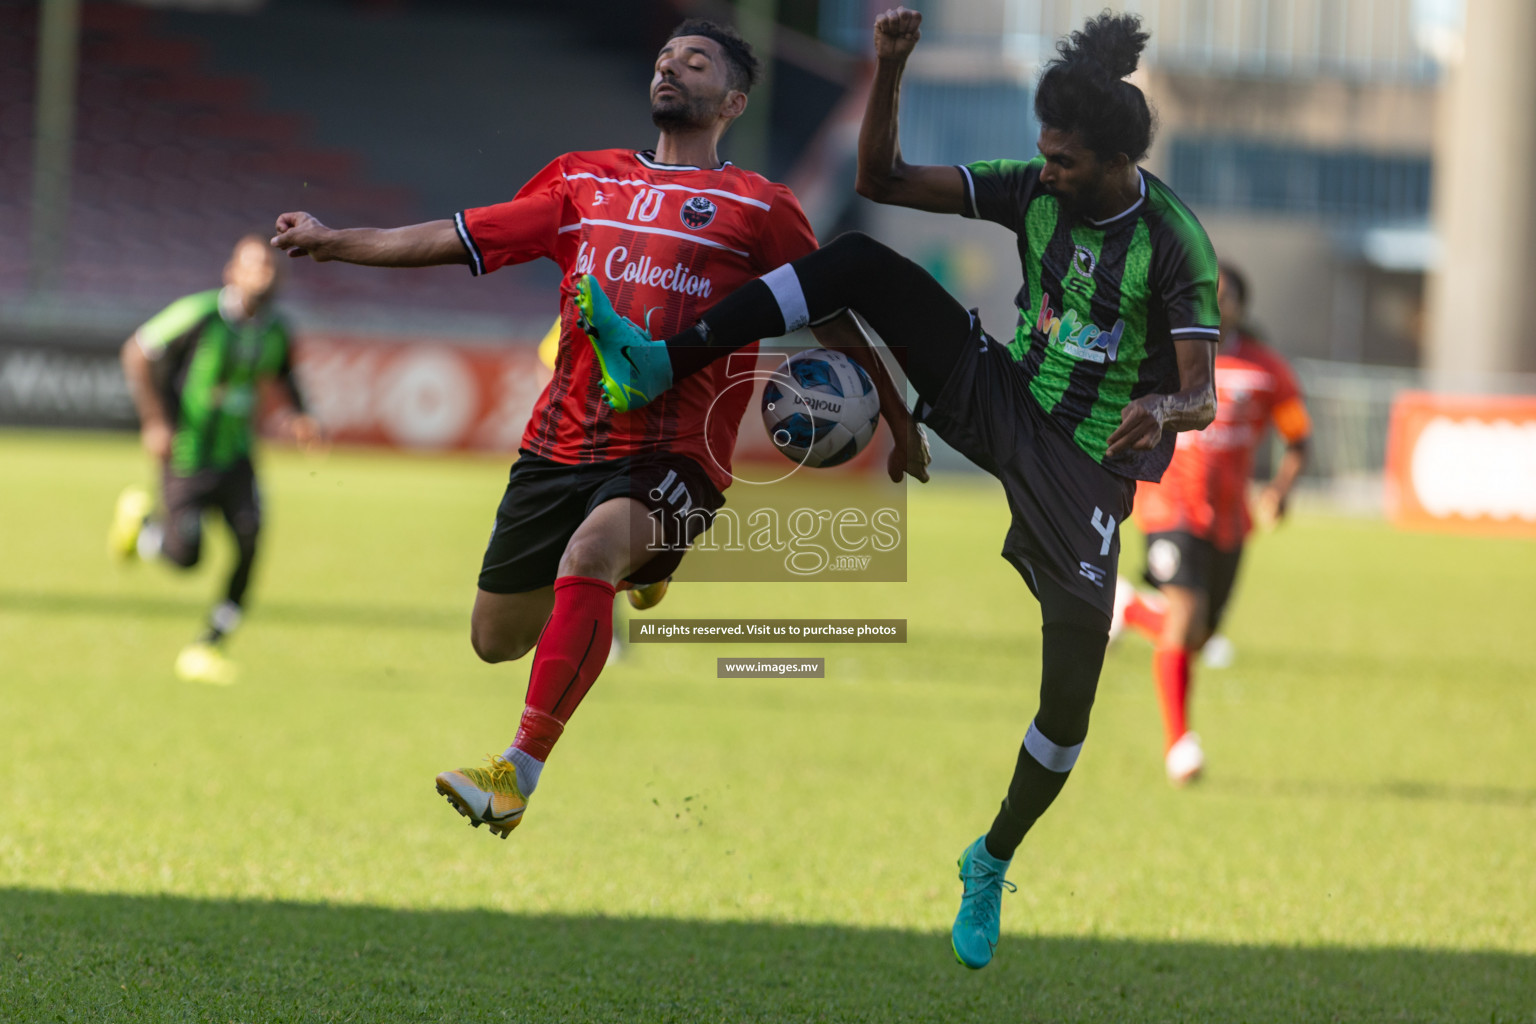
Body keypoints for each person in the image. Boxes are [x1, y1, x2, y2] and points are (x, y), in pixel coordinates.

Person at [573, 8, 1218, 969]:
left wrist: (1161, 412)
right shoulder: (1028, 190)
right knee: (864, 261)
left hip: (1085, 464)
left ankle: (991, 858)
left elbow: (1203, 392)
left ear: (1118, 158)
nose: (1046, 172)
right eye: (1042, 155)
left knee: (1072, 699)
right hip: (998, 392)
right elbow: (877, 181)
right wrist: (891, 62)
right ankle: (665, 358)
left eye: (1066, 162)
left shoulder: (1175, 244)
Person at [270, 19, 926, 840]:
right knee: (493, 639)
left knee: (593, 553)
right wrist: (336, 242)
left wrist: (896, 417)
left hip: (676, 454)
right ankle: (645, 564)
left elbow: (826, 307)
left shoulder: (763, 207)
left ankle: (518, 770)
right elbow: (457, 236)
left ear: (732, 101)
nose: (669, 68)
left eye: (694, 63)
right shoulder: (582, 181)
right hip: (558, 444)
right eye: (664, 58)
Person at [1113, 262, 1311, 784]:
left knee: (1197, 634)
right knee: (1184, 613)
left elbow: (1297, 438)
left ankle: (1131, 608)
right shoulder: (1167, 356)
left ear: (1241, 305)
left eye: (1224, 296)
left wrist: (1280, 491)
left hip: (1230, 520)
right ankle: (1180, 742)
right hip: (1171, 506)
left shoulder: (1267, 370)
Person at [109, 235, 319, 685]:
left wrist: (301, 414)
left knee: (250, 541)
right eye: (253, 265)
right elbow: (137, 351)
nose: (263, 273)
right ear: (232, 272)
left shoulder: (276, 328)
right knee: (186, 558)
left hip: (238, 456)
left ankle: (208, 646)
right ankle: (145, 525)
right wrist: (155, 421)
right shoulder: (199, 314)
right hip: (188, 453)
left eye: (270, 266)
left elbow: (284, 373)